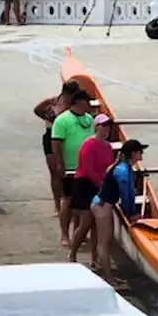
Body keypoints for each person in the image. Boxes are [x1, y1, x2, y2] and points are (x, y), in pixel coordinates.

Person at [91, 139, 147, 289]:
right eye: (140, 151)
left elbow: (128, 194)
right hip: (102, 206)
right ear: (134, 153)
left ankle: (108, 275)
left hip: (104, 204)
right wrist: (132, 215)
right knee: (105, 243)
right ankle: (109, 279)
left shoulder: (124, 166)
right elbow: (126, 196)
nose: (142, 153)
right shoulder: (123, 171)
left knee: (105, 242)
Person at [50, 90, 95, 247]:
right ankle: (64, 234)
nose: (89, 104)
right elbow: (56, 143)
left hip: (86, 168)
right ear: (78, 102)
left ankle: (78, 233)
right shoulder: (62, 120)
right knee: (67, 200)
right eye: (86, 101)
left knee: (82, 203)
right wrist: (60, 163)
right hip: (70, 166)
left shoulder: (89, 119)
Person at [68, 114, 114, 264]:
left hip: (99, 185)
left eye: (108, 126)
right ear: (96, 127)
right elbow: (88, 170)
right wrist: (102, 186)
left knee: (96, 223)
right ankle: (73, 253)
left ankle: (94, 258)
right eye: (103, 126)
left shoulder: (108, 146)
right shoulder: (88, 144)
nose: (106, 129)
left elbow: (108, 168)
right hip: (84, 184)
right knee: (86, 222)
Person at [34, 80, 81, 216]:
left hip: (68, 137)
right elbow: (37, 109)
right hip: (51, 136)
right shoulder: (53, 102)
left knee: (69, 171)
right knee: (55, 172)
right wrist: (48, 117)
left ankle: (68, 203)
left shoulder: (74, 106)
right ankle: (57, 204)